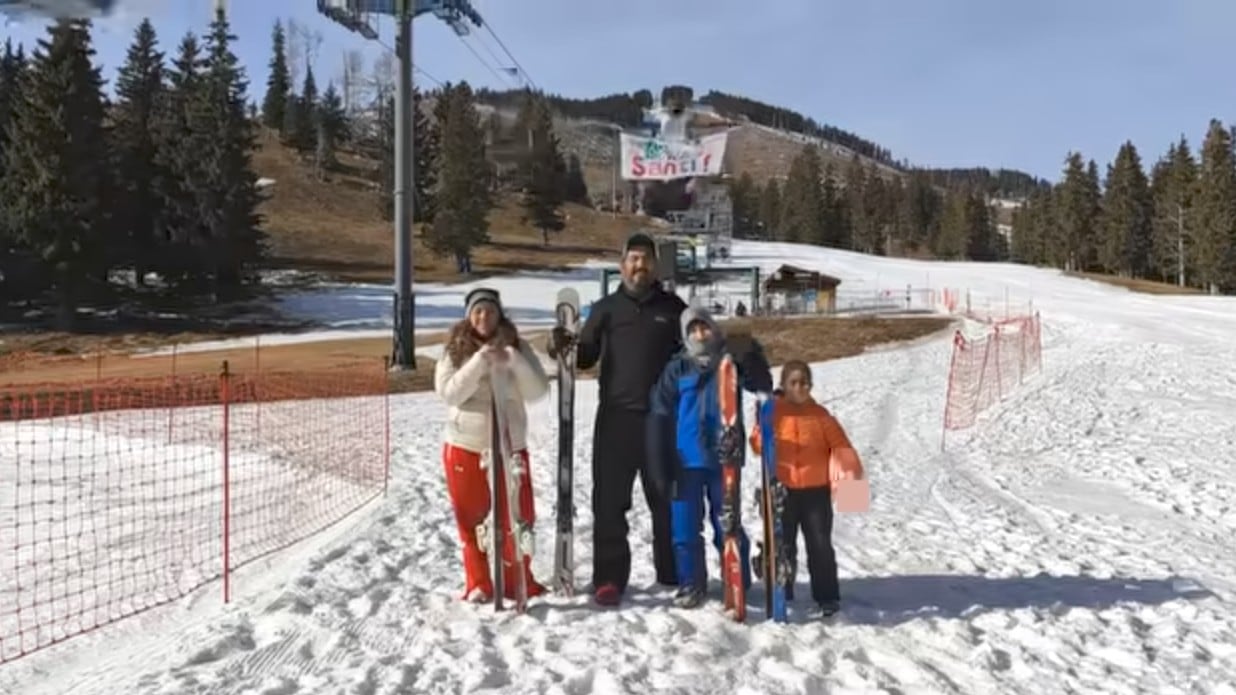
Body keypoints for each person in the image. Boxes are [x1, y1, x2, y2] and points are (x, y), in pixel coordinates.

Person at [547, 232, 686, 606]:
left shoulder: (673, 309)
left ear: (655, 264)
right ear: (622, 264)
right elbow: (585, 356)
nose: (639, 266)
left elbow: (694, 355)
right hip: (616, 419)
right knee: (609, 502)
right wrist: (562, 346)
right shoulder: (605, 309)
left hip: (661, 421)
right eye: (633, 259)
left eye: (646, 259)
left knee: (667, 500)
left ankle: (673, 571)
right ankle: (609, 578)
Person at [647, 305, 772, 608]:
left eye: (704, 327)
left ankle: (736, 576)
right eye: (693, 330)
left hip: (724, 460)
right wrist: (659, 461)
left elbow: (761, 384)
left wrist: (750, 354)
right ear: (685, 335)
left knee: (727, 523)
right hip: (684, 460)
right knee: (685, 527)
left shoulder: (730, 361)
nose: (700, 334)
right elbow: (659, 413)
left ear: (714, 329)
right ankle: (691, 583)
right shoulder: (677, 369)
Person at [434, 287, 551, 603]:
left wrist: (513, 360)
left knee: (517, 514)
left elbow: (538, 390)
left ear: (499, 314)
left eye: (489, 311)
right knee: (470, 517)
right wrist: (478, 363)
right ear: (469, 316)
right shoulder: (455, 350)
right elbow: (448, 392)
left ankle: (518, 579)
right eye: (477, 312)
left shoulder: (516, 345)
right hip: (466, 443)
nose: (483, 317)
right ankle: (479, 583)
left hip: (509, 445)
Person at [749, 360, 864, 618]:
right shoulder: (775, 413)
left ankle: (827, 595)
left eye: (804, 382)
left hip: (816, 493)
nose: (800, 387)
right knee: (784, 545)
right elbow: (758, 447)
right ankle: (783, 590)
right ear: (784, 386)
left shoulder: (820, 416)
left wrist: (852, 490)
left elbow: (842, 447)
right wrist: (760, 425)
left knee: (820, 545)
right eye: (794, 383)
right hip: (783, 492)